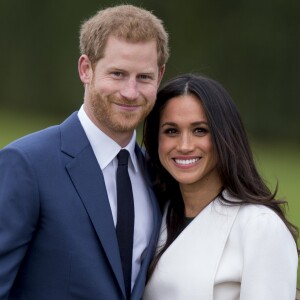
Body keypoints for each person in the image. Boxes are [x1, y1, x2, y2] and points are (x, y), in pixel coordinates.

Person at [0, 4, 169, 300]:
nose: (130, 92)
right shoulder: (27, 164)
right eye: (117, 74)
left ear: (160, 75)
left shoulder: (157, 176)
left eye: (143, 77)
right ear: (85, 69)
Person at [142, 74, 299, 300]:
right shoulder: (154, 214)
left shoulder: (260, 226)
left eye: (200, 130)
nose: (184, 146)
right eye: (171, 131)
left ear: (224, 136)